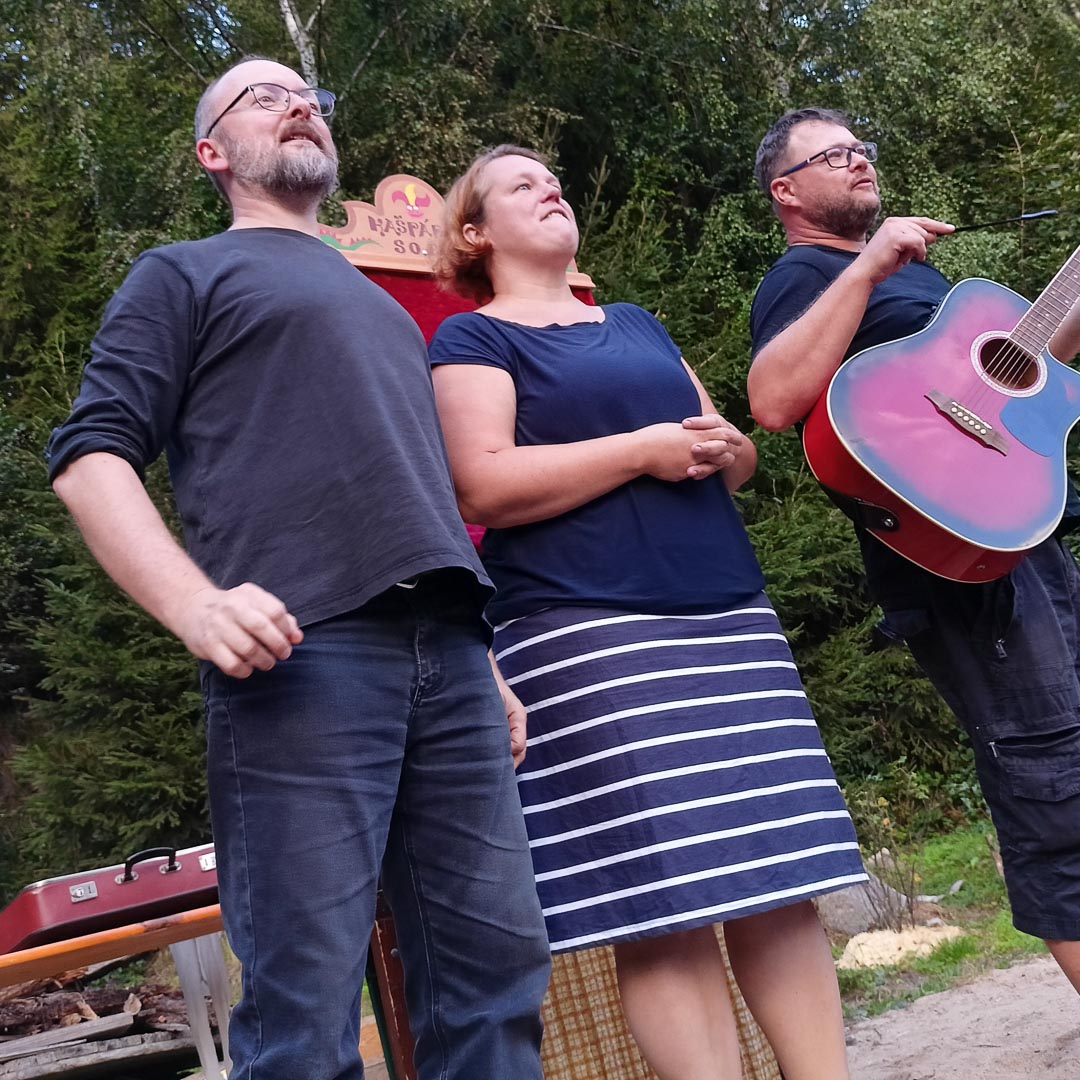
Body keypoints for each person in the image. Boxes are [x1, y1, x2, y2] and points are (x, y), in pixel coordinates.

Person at [46, 59, 551, 1080]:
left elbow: (413, 493)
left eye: (311, 98)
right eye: (265, 97)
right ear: (212, 151)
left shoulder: (377, 305)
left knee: (496, 981)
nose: (300, 107)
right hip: (303, 655)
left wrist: (485, 661)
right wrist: (193, 604)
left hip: (451, 655)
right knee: (305, 1010)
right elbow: (90, 456)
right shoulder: (182, 275)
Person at [427, 144, 866, 1080]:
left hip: (730, 615)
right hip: (585, 631)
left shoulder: (634, 322)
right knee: (664, 902)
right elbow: (483, 484)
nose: (550, 187)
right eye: (520, 185)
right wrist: (641, 450)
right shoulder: (472, 341)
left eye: (553, 178)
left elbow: (733, 459)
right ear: (475, 232)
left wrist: (722, 448)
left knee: (780, 876)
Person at [748, 106, 1080, 992]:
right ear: (786, 192)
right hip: (960, 567)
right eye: (833, 154)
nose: (859, 160)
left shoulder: (925, 284)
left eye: (861, 147)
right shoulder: (803, 277)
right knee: (1054, 792)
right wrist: (868, 264)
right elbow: (773, 399)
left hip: (1025, 530)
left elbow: (1031, 379)